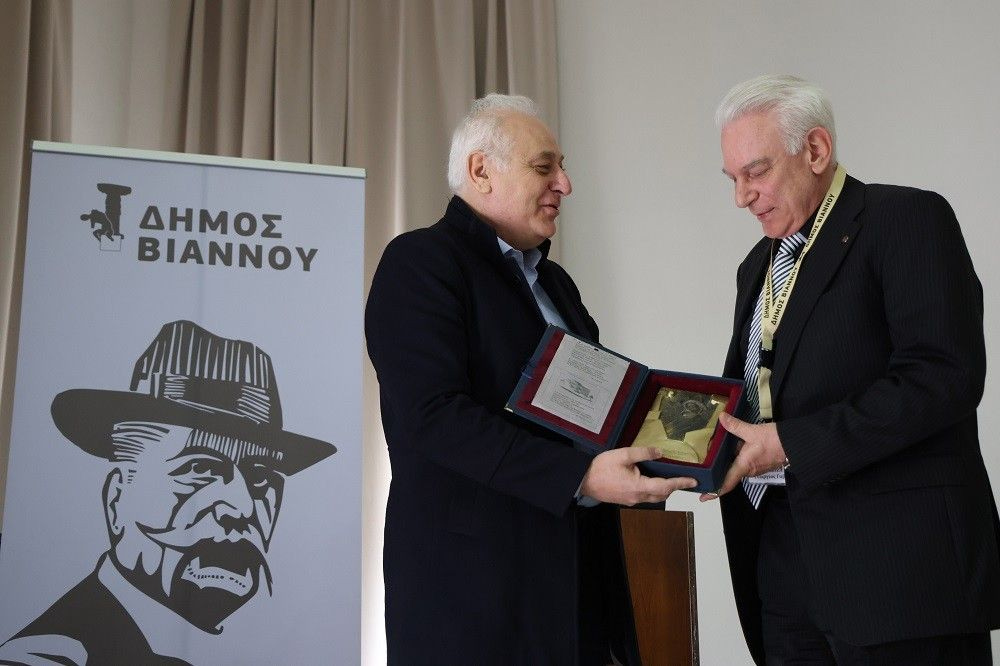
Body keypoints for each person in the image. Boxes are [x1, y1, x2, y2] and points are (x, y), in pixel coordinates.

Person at [365, 93, 696, 665]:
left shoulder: (557, 284)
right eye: (544, 167)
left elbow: (601, 410)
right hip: (474, 601)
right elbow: (434, 417)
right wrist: (582, 476)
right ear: (481, 171)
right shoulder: (421, 262)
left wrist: (694, 442)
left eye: (561, 168)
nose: (564, 184)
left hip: (575, 592)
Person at [702, 74, 1000, 665]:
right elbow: (761, 393)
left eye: (755, 172)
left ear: (816, 150)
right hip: (783, 561)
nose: (742, 197)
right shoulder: (755, 266)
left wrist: (789, 444)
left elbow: (944, 377)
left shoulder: (907, 218)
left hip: (900, 574)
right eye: (732, 179)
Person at [0, 319, 336, 665]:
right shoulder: (50, 657)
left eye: (260, 477)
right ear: (116, 499)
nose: (241, 507)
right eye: (200, 469)